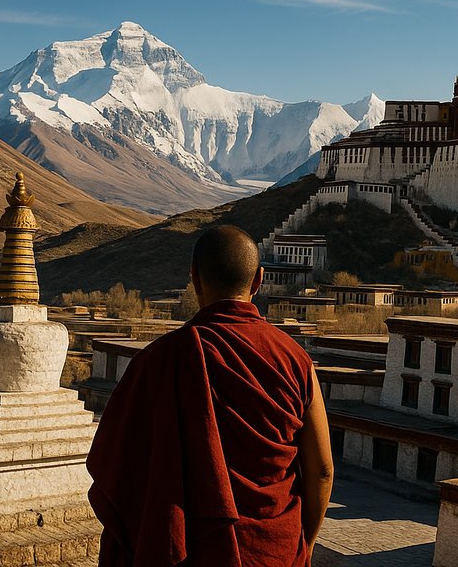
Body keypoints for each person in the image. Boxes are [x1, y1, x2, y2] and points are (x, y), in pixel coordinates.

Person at [87, 225, 333, 567]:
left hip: (186, 551)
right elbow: (321, 470)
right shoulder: (296, 360)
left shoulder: (159, 359)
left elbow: (115, 463)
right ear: (259, 281)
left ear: (194, 279)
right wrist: (302, 543)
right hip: (274, 550)